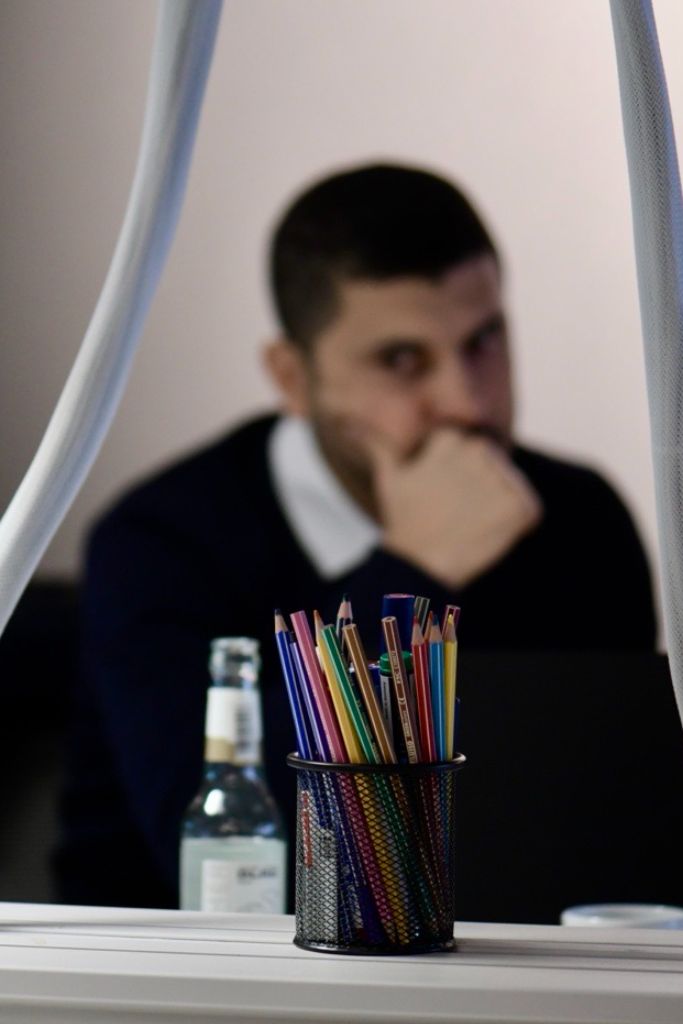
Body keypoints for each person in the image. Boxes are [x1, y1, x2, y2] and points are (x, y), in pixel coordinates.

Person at [54, 163, 656, 913]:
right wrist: (413, 572)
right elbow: (227, 854)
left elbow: (618, 821)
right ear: (293, 379)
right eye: (402, 361)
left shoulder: (581, 520)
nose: (466, 404)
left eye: (483, 339)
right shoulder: (160, 544)